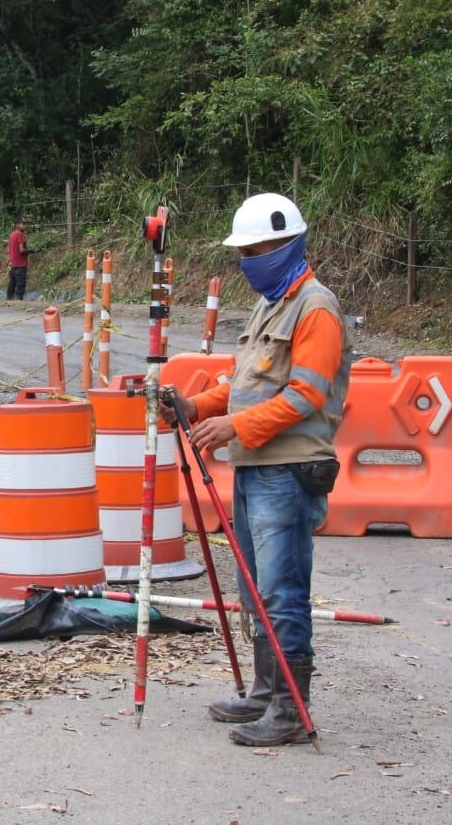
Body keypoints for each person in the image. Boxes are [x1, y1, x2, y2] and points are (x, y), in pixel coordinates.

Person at [165, 192, 349, 747]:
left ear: (286, 246)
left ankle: (291, 708)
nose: (247, 262)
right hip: (257, 467)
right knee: (256, 587)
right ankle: (268, 691)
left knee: (281, 589)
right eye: (242, 253)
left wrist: (236, 428)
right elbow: (245, 384)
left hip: (289, 470)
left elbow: (306, 395)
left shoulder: (316, 309)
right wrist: (196, 406)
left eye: (255, 251)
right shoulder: (271, 306)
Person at [6, 216, 28, 300]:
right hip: (20, 264)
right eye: (23, 223)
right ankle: (19, 300)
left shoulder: (12, 234)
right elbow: (22, 250)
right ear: (17, 225)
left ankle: (9, 299)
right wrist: (31, 251)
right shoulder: (20, 234)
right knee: (20, 284)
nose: (25, 225)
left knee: (12, 282)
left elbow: (8, 250)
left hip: (13, 264)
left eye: (25, 223)